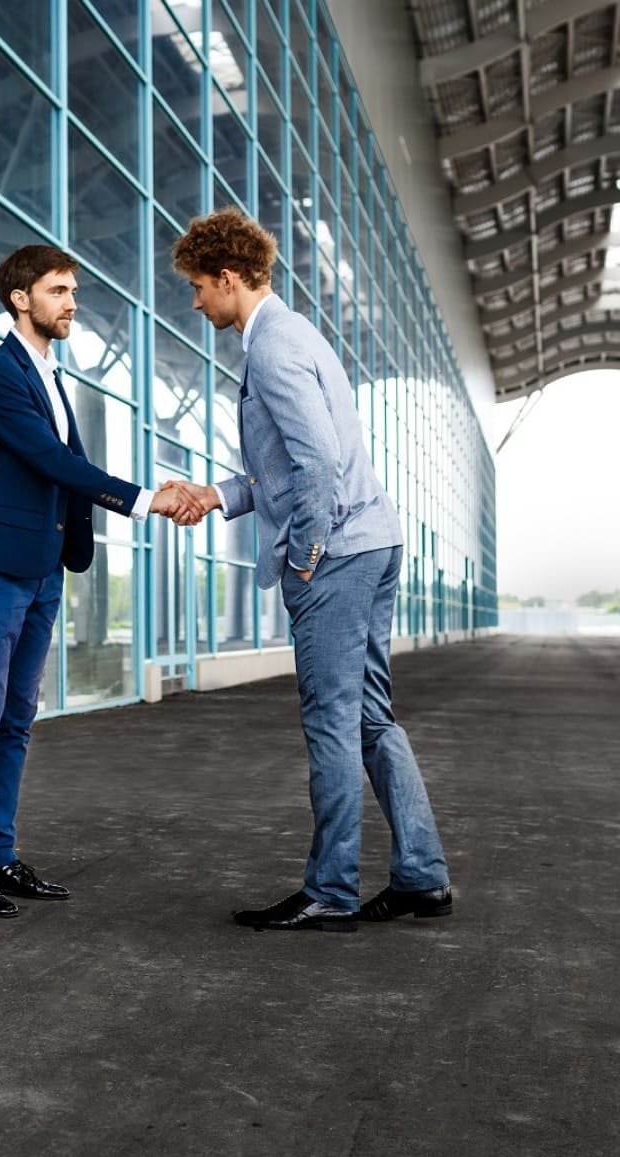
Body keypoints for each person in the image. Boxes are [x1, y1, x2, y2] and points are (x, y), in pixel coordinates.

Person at [168, 209, 451, 932]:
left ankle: (330, 888)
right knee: (369, 718)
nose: (195, 301)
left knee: (330, 720)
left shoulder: (272, 349)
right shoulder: (295, 335)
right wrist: (220, 495)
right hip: (373, 542)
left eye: (199, 287)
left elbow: (319, 462)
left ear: (229, 279)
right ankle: (420, 877)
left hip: (340, 555)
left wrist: (305, 557)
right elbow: (289, 467)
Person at [0, 244, 195, 916]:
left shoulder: (50, 375)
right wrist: (146, 499)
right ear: (21, 299)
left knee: (18, 718)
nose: (71, 302)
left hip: (43, 568)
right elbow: (53, 462)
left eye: (73, 289)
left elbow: (63, 465)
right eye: (57, 290)